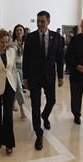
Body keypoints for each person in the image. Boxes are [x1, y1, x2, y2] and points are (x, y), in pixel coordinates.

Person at [23, 10, 64, 150]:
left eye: (43, 21)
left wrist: (60, 76)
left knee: (52, 100)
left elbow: (59, 58)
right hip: (34, 76)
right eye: (38, 21)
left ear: (48, 22)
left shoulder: (57, 37)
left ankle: (45, 116)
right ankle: (38, 133)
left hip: (49, 76)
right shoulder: (30, 37)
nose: (40, 24)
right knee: (35, 104)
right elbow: (26, 59)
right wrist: (25, 78)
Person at [10, 24, 26, 119]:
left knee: (17, 87)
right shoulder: (12, 43)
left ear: (23, 32)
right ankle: (22, 109)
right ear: (15, 32)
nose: (19, 32)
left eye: (20, 30)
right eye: (17, 30)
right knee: (19, 87)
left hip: (23, 67)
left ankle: (12, 102)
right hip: (14, 67)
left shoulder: (27, 43)